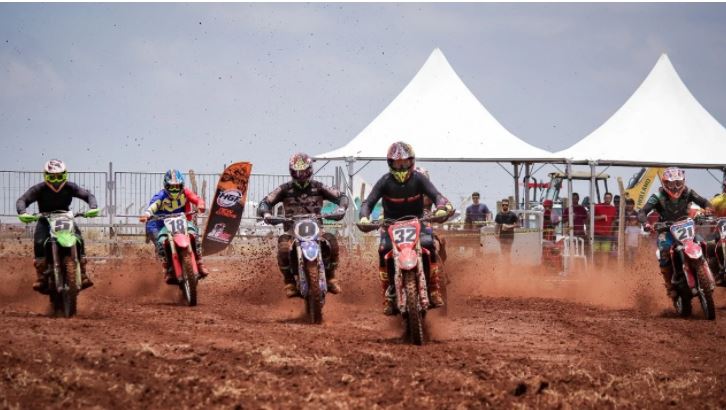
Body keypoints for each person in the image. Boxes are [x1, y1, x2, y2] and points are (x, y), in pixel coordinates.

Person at [358, 142, 453, 315]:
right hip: (390, 225)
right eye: (397, 163)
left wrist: (441, 206)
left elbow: (436, 195)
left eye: (405, 162)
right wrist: (364, 216)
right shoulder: (384, 182)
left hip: (418, 222)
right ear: (390, 163)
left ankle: (433, 288)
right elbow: (368, 202)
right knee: (383, 250)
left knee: (429, 244)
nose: (401, 167)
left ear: (411, 161)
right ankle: (387, 294)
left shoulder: (419, 179)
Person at [258, 153, 349, 298]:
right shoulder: (284, 189)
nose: (301, 175)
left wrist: (341, 208)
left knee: (332, 241)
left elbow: (341, 196)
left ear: (310, 170)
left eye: (304, 171)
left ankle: (331, 277)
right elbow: (265, 202)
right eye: (297, 172)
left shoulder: (319, 187)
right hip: (291, 230)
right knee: (283, 247)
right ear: (291, 171)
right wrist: (266, 214)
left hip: (317, 229)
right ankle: (289, 282)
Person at [16, 159, 100, 292]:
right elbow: (23, 199)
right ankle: (41, 276)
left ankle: (83, 272)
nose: (56, 180)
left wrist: (93, 207)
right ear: (46, 176)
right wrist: (22, 212)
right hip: (45, 218)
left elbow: (88, 195)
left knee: (78, 238)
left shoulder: (70, 187)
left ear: (65, 175)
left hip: (65, 217)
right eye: (52, 177)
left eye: (59, 176)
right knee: (39, 241)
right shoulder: (39, 189)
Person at [638, 167, 713, 298]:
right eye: (672, 184)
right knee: (664, 251)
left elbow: (704, 202)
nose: (675, 187)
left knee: (702, 243)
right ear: (665, 183)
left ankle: (706, 271)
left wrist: (707, 209)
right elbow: (642, 211)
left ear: (683, 182)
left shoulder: (688, 192)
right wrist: (646, 224)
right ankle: (669, 284)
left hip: (686, 227)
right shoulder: (658, 196)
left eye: (678, 183)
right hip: (666, 229)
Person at [139, 169, 207, 284]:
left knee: (194, 234)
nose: (174, 190)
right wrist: (146, 215)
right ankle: (166, 268)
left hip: (182, 221)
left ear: (182, 185)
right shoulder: (160, 196)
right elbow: (153, 207)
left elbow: (196, 198)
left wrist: (200, 204)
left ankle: (200, 263)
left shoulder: (185, 192)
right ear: (166, 186)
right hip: (161, 224)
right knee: (160, 243)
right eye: (171, 187)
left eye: (177, 187)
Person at [593, 192, 617, 265]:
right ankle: (596, 267)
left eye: (609, 198)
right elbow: (590, 217)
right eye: (606, 197)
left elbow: (613, 221)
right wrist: (600, 217)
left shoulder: (613, 209)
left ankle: (604, 269)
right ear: (604, 198)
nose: (607, 199)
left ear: (611, 199)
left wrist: (610, 231)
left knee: (605, 252)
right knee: (595, 252)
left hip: (607, 235)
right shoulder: (597, 206)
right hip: (596, 233)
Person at [623, 198, 641, 262]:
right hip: (623, 235)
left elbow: (639, 225)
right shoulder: (622, 212)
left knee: (633, 257)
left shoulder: (636, 213)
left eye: (630, 204)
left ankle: (632, 266)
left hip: (633, 237)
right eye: (628, 204)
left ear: (633, 205)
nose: (629, 205)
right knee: (625, 253)